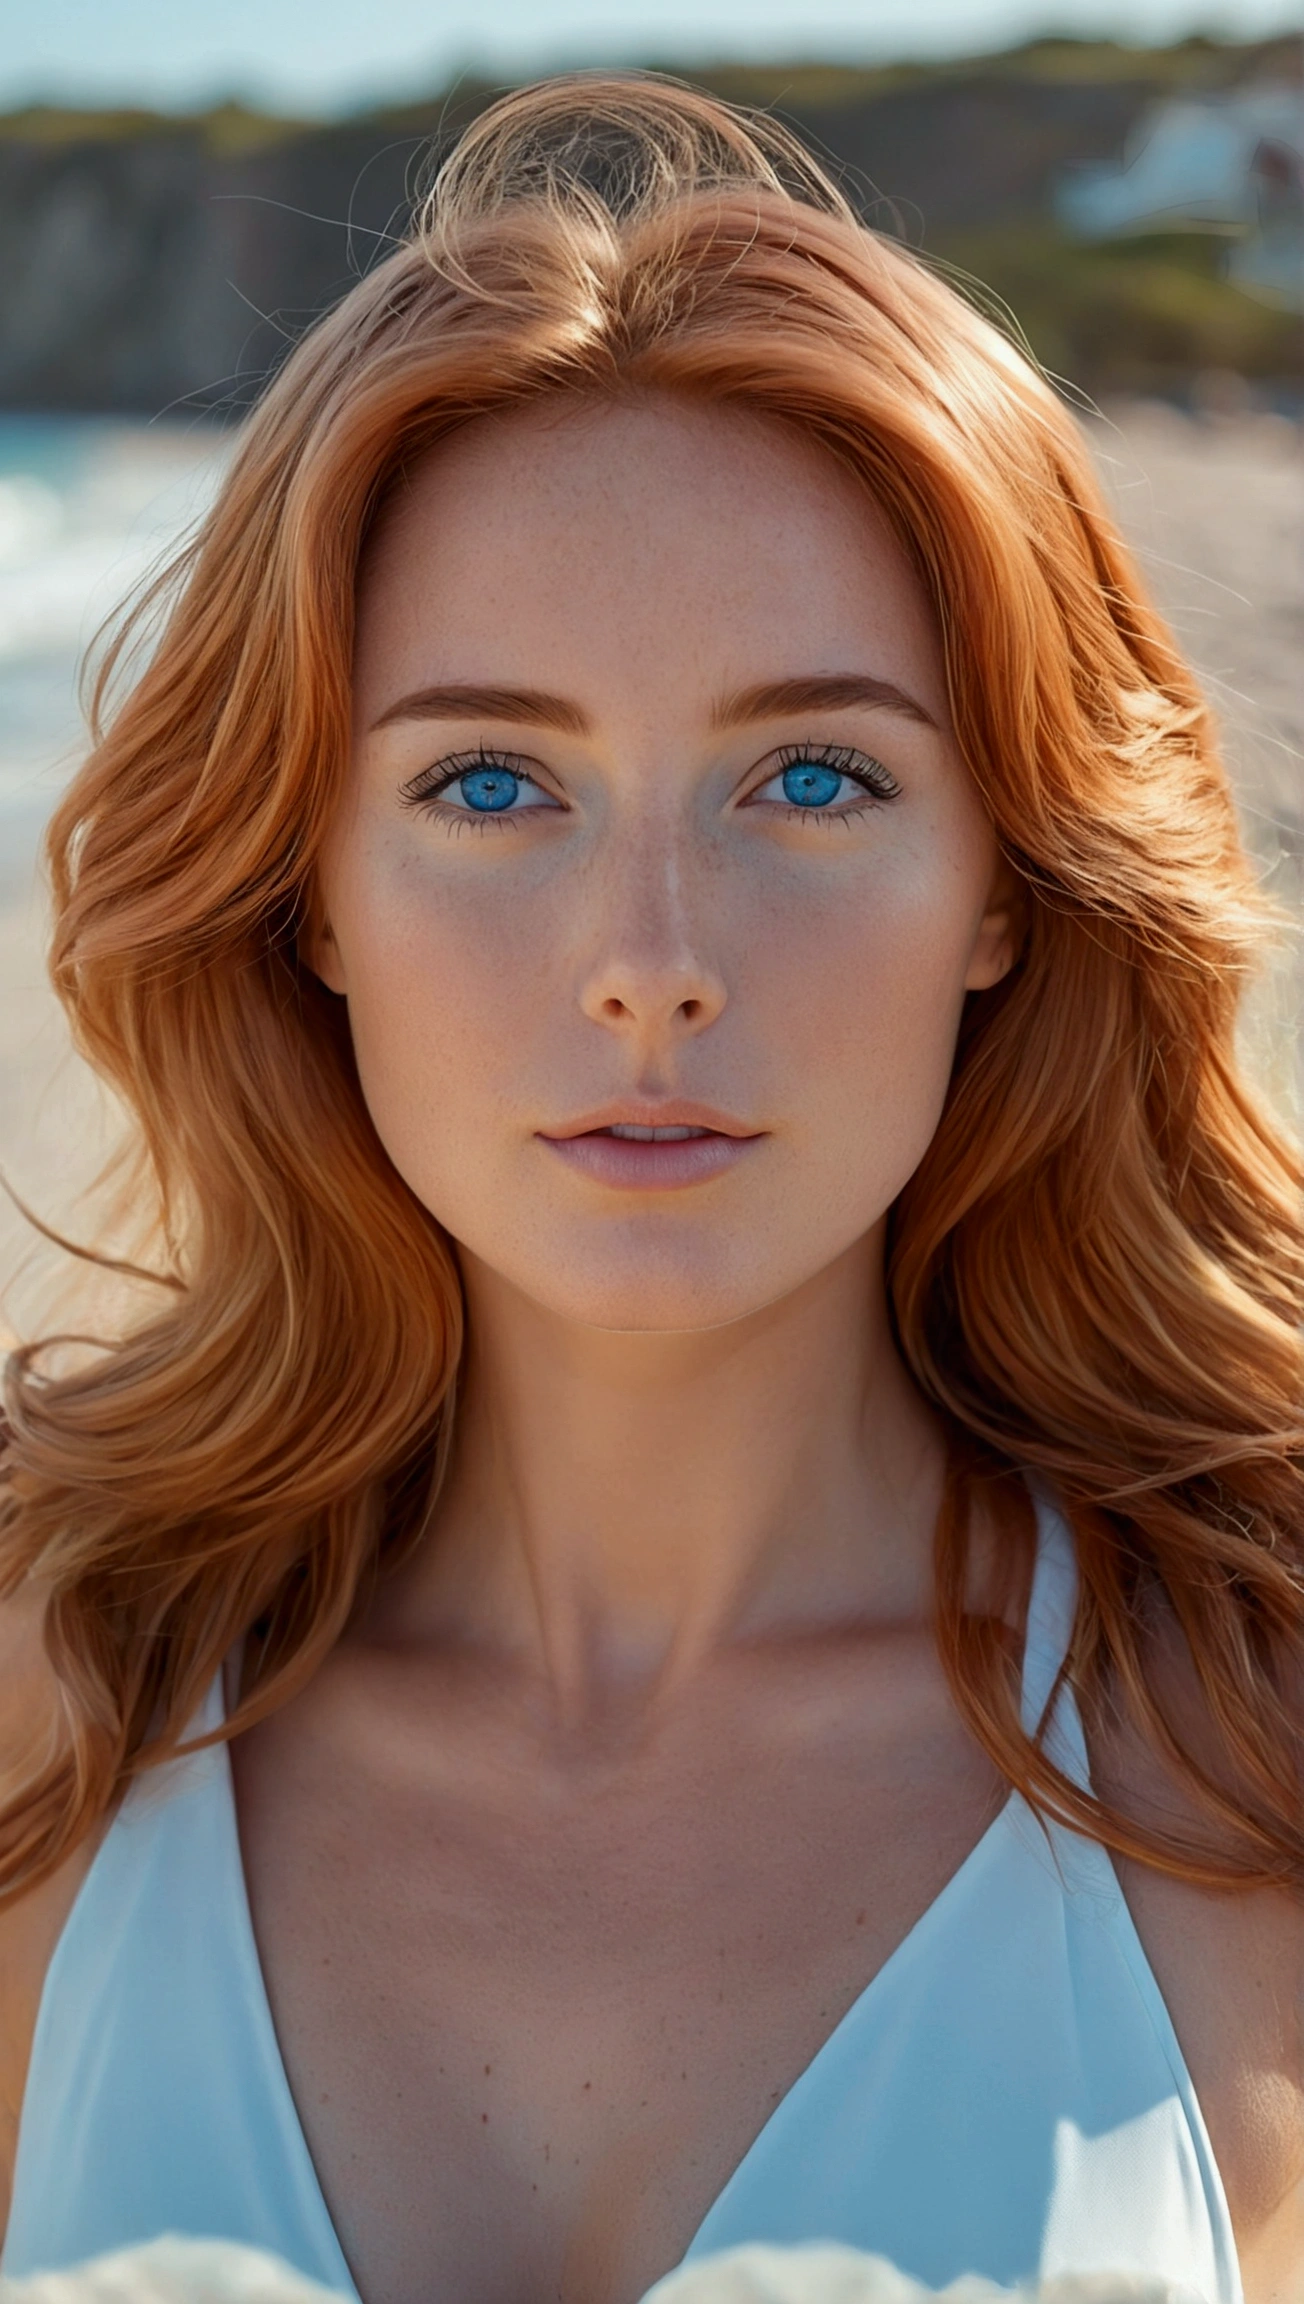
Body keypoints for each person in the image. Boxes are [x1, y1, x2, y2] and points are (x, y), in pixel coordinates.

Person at [0, 72, 1301, 2304]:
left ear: (1004, 879)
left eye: (812, 776)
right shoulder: (58, 1689)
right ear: (307, 890)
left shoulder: (1259, 1738)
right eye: (492, 782)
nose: (651, 969)